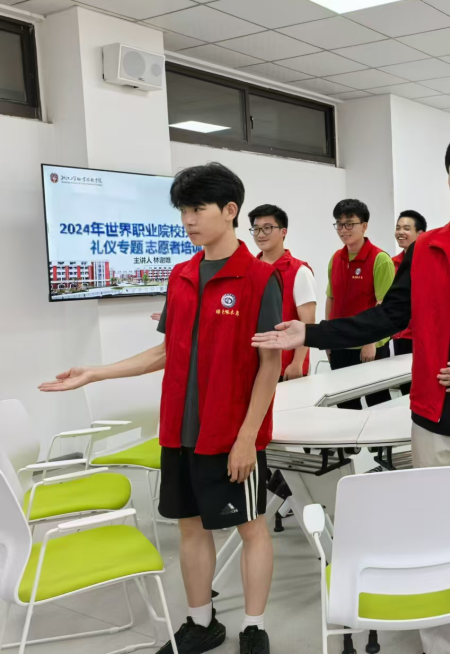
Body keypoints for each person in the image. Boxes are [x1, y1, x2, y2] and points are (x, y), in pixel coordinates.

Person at [252, 127, 450, 654]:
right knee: (434, 538)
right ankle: (440, 644)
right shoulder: (427, 250)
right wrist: (311, 333)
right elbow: (386, 317)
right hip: (434, 418)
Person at [39, 163, 281, 654]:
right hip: (178, 431)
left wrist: (246, 438)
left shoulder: (260, 278)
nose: (188, 220)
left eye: (197, 209)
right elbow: (168, 351)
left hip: (231, 434)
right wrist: (96, 372)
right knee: (190, 527)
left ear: (229, 210)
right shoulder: (182, 275)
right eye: (183, 211)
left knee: (251, 528)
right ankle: (201, 622)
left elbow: (270, 365)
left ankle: (254, 626)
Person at [326, 198, 395, 409]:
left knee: (377, 402)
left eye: (349, 224)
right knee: (345, 403)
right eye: (339, 224)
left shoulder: (380, 259)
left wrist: (370, 340)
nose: (343, 230)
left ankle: (381, 435)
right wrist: (327, 336)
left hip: (369, 345)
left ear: (364, 226)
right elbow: (331, 298)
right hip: (341, 342)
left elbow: (384, 304)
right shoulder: (336, 258)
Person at [248, 203, 316, 381]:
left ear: (283, 232)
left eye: (267, 228)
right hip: (251, 364)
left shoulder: (300, 272)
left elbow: (307, 322)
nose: (260, 234)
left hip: (285, 367)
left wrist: (297, 363)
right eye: (256, 229)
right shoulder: (248, 270)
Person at [391, 210, 427, 395]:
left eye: (406, 228)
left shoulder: (429, 262)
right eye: (398, 228)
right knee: (405, 390)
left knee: (422, 386)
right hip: (400, 336)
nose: (400, 232)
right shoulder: (391, 263)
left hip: (421, 336)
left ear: (420, 234)